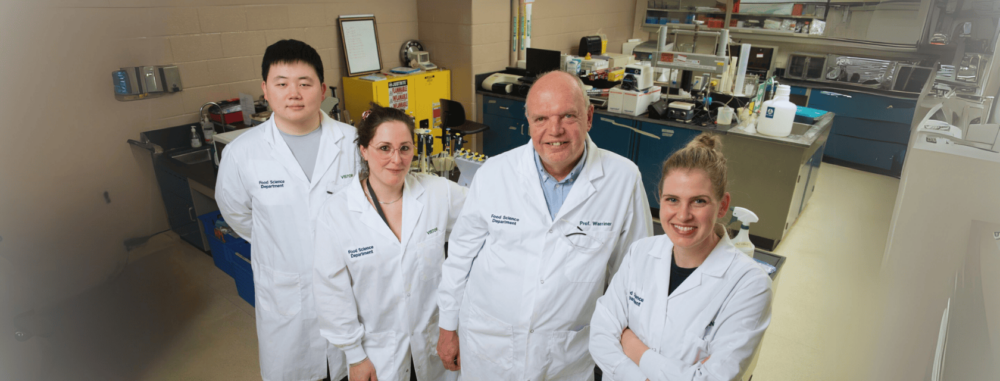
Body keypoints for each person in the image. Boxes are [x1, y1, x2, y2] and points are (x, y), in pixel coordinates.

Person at [435, 71, 654, 380]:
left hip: (566, 356)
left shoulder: (623, 179)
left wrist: (629, 356)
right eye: (541, 119)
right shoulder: (495, 173)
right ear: (528, 122)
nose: (555, 130)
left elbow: (635, 276)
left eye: (568, 116)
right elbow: (460, 256)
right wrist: (447, 327)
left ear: (589, 117)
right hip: (488, 344)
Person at [216, 39, 354, 381]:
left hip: (351, 287)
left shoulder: (354, 143)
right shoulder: (243, 153)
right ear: (265, 89)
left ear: (322, 90)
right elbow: (236, 214)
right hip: (286, 292)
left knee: (353, 369)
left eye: (305, 83)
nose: (294, 94)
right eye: (281, 84)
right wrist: (282, 243)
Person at [589, 133, 774, 381]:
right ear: (660, 199)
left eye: (698, 201)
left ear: (722, 205)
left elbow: (712, 378)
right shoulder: (640, 253)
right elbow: (601, 334)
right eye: (673, 200)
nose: (683, 215)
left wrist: (632, 346)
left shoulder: (750, 285)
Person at [313, 104, 467, 381]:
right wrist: (355, 356)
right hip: (376, 355)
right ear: (363, 150)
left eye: (404, 148)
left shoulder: (438, 193)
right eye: (384, 148)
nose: (396, 159)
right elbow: (332, 295)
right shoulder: (336, 213)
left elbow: (484, 213)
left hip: (434, 344)